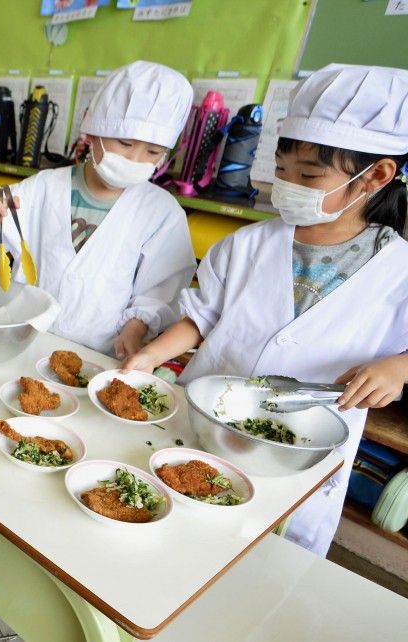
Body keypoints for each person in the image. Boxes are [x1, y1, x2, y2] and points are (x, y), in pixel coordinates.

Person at [121, 64, 408, 556]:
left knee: (261, 563)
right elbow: (201, 318)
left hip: (304, 450)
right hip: (206, 424)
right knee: (173, 539)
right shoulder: (247, 244)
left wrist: (399, 367)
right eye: (281, 170)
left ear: (376, 176)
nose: (288, 185)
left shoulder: (398, 267)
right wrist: (148, 358)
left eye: (310, 175)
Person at [0, 61, 196, 359]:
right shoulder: (43, 189)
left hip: (98, 356)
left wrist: (136, 326)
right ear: (93, 131)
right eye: (126, 142)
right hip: (24, 341)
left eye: (153, 152)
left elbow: (159, 290)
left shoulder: (161, 213)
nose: (136, 158)